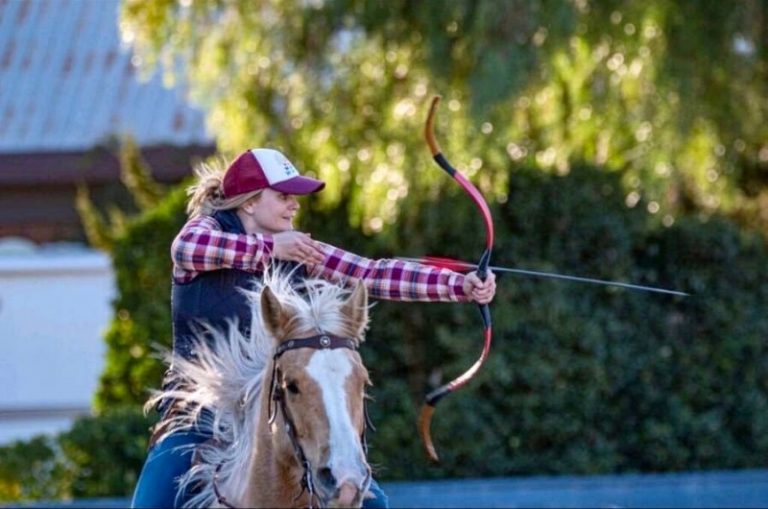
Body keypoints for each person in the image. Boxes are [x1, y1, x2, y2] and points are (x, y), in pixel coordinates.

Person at [131, 148, 496, 508]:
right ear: (248, 203)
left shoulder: (296, 249)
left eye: (295, 197)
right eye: (283, 196)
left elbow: (371, 273)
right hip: (199, 416)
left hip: (282, 414)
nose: (295, 205)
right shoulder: (210, 229)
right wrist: (271, 248)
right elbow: (186, 248)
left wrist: (458, 286)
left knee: (373, 505)